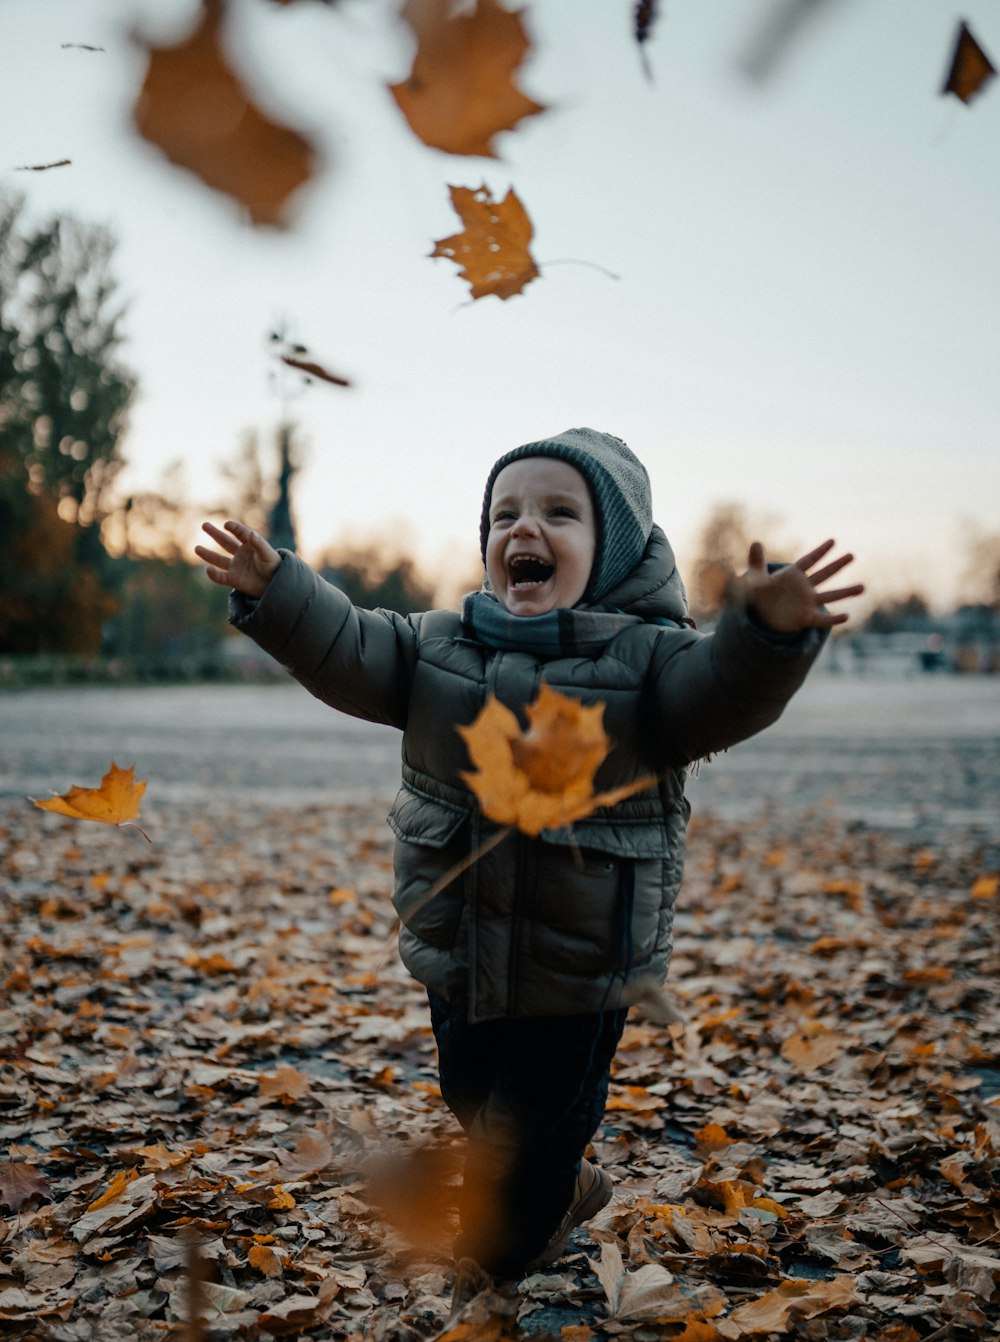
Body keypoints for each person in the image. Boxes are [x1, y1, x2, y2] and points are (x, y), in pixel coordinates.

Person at [195, 427, 862, 1300]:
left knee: (525, 1134)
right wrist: (278, 590)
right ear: (486, 548)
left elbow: (719, 695)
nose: (524, 528)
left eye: (558, 512)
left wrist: (764, 636)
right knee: (472, 1092)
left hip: (582, 964)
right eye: (504, 513)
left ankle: (508, 1248)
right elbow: (348, 643)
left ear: (613, 551)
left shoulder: (650, 663)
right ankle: (561, 1186)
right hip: (460, 943)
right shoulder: (437, 646)